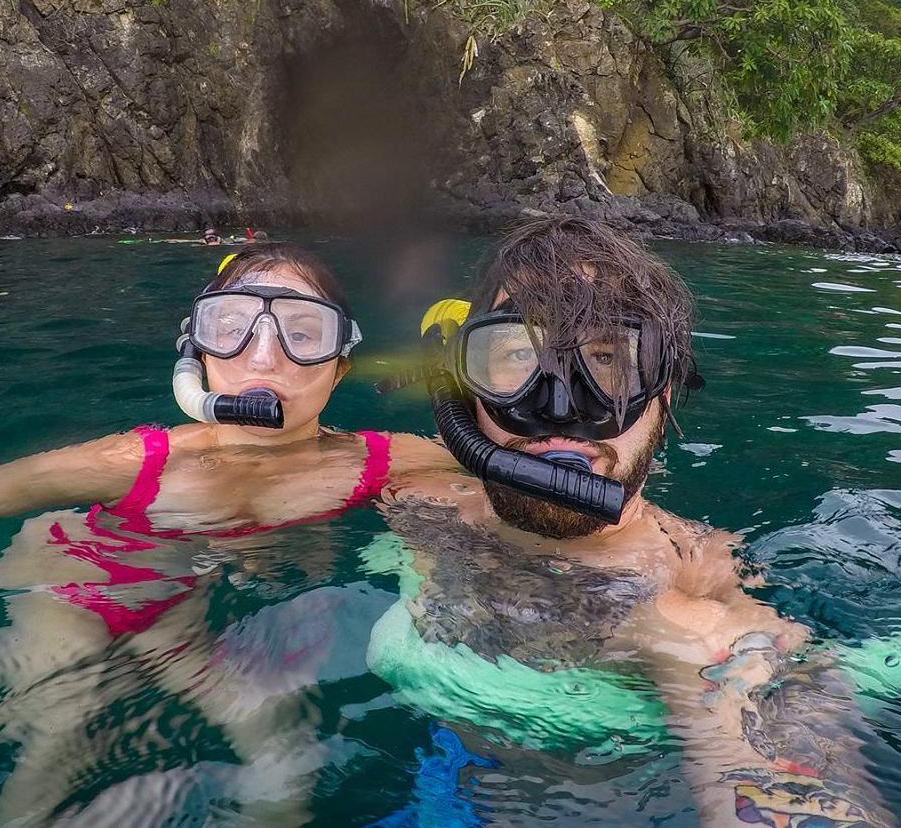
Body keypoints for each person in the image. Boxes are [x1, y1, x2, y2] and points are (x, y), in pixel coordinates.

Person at [364, 215, 892, 826]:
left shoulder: (678, 600)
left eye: (609, 358)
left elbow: (772, 751)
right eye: (515, 354)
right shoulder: (420, 496)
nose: (560, 405)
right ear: (465, 395)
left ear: (662, 397)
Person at [0, 242, 452, 824]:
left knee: (287, 768)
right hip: (83, 583)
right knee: (57, 740)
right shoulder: (141, 459)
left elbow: (513, 477)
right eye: (232, 328)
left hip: (198, 622)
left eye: (303, 334)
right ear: (196, 355)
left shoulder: (381, 461)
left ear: (340, 367)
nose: (264, 358)